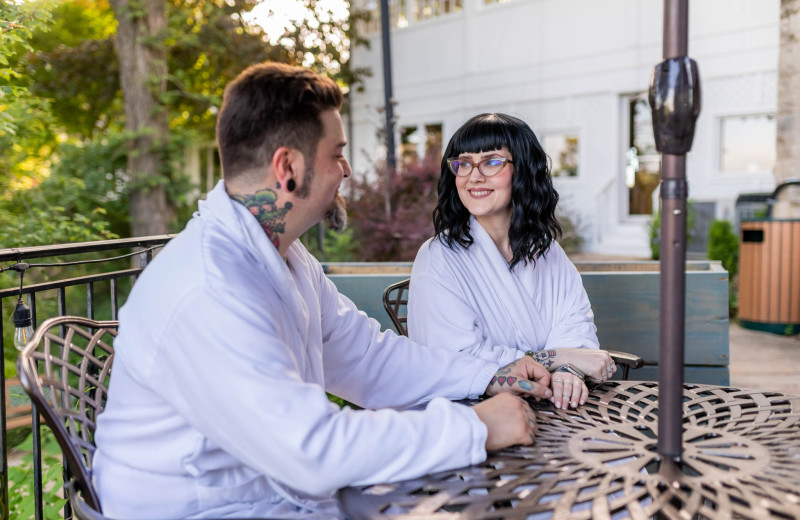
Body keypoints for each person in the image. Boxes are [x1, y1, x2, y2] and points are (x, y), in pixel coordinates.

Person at [92, 65, 555, 519]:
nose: (347, 170)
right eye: (337, 153)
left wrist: (490, 374)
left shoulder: (286, 259)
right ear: (288, 167)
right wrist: (473, 427)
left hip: (273, 494)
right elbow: (310, 452)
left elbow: (369, 359)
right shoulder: (209, 288)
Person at [407, 113, 617, 412]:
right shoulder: (439, 256)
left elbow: (575, 327)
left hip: (556, 407)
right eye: (463, 163)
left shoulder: (548, 252)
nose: (474, 176)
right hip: (476, 414)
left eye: (492, 162)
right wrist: (559, 358)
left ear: (523, 171)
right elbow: (456, 358)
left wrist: (568, 373)